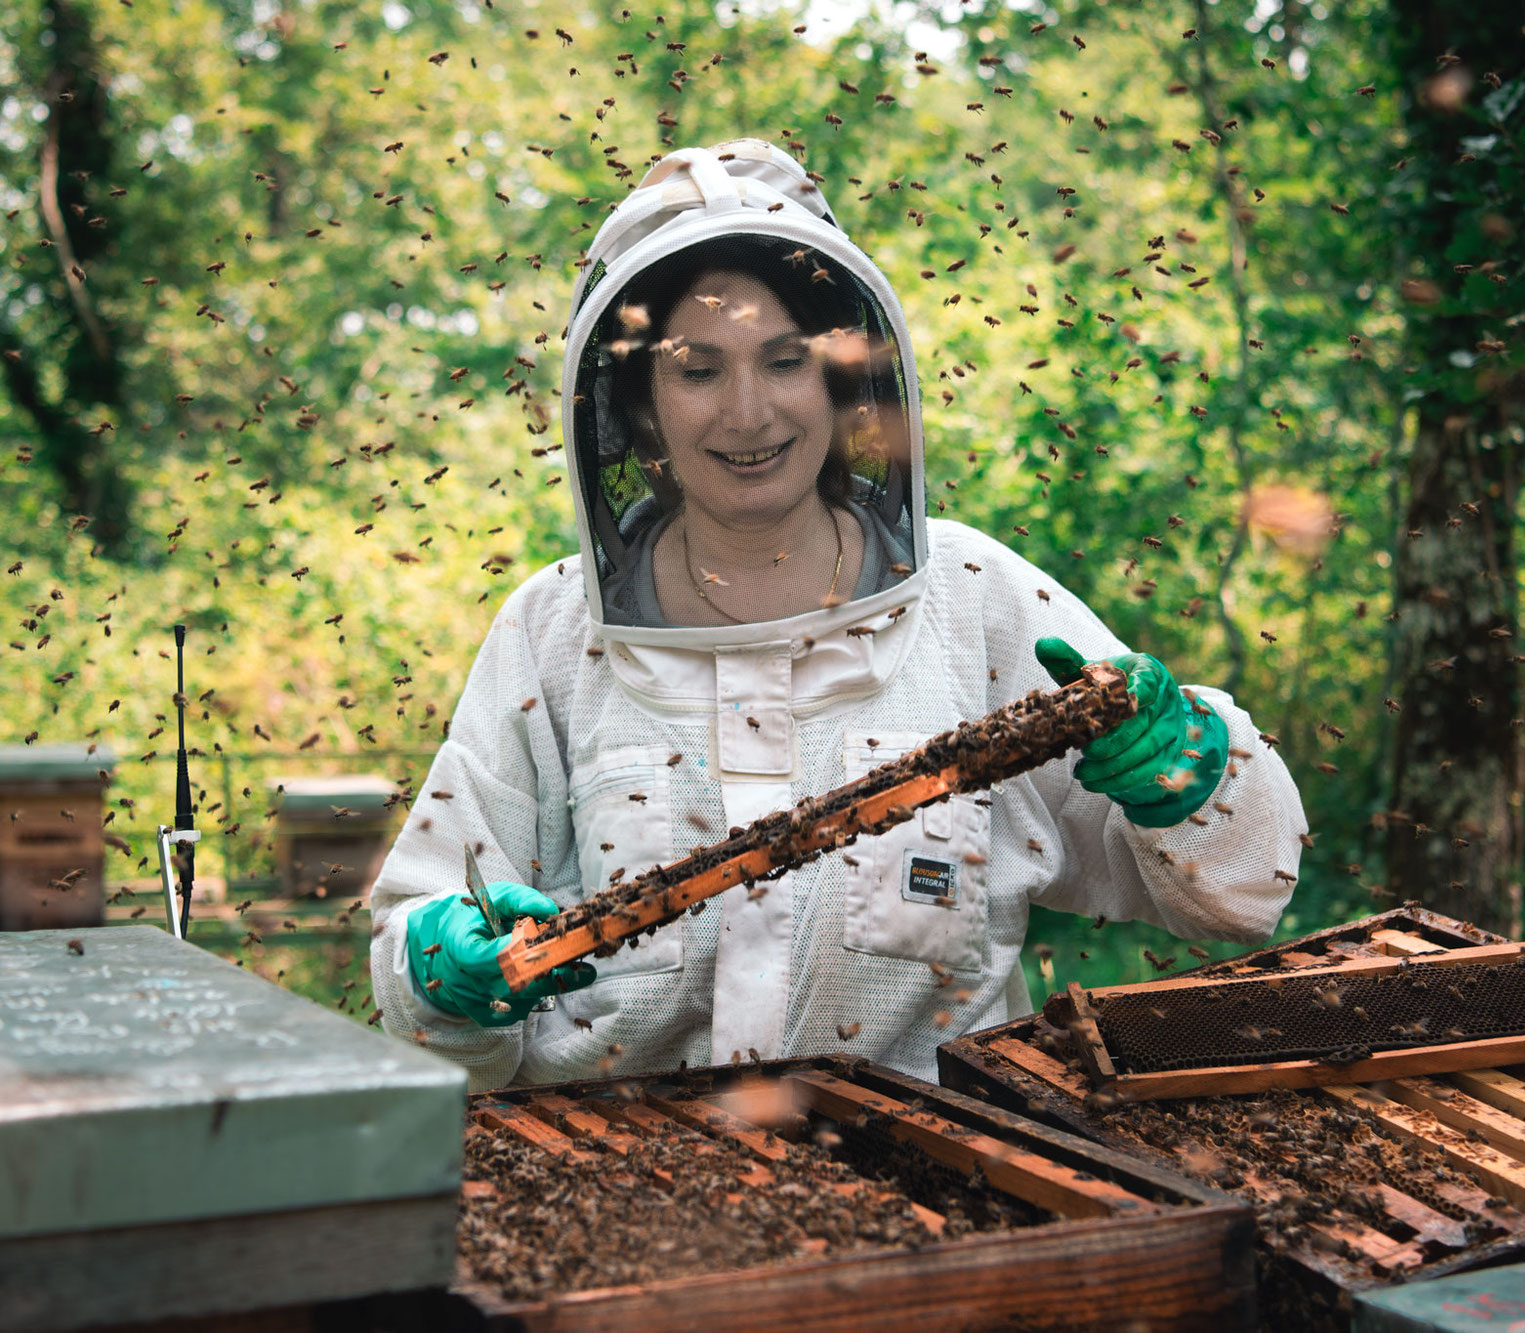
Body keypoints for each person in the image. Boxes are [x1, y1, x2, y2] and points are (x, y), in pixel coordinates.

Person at [368, 140, 1309, 1092]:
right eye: (697, 369)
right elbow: (429, 921)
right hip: (628, 1197)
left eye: (785, 360)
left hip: (940, 1187)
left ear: (839, 379)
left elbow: (1238, 891)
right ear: (638, 403)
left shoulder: (975, 599)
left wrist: (1192, 780)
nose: (749, 411)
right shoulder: (549, 634)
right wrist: (439, 970)